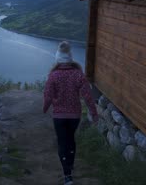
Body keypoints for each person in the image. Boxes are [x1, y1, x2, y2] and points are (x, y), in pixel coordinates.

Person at [43, 41, 98, 185]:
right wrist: (93, 113)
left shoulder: (53, 76)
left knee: (62, 142)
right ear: (70, 58)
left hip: (59, 116)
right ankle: (71, 165)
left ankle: (67, 175)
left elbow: (48, 96)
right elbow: (87, 95)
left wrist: (45, 108)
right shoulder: (78, 74)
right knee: (71, 139)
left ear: (57, 58)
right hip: (75, 116)